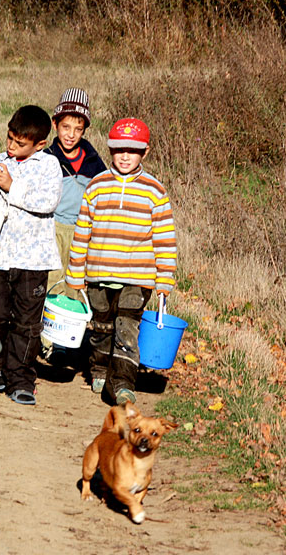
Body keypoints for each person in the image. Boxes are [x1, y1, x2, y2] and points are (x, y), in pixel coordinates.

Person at [65, 118, 177, 405]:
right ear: (110, 149)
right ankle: (100, 368)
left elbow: (164, 240)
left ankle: (124, 382)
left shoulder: (154, 191)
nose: (125, 156)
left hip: (137, 277)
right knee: (102, 326)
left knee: (127, 328)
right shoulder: (97, 186)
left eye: (133, 150)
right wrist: (75, 274)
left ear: (145, 152)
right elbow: (82, 232)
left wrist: (164, 278)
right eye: (118, 149)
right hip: (98, 272)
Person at [0, 106, 62, 406]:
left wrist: (10, 184)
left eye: (20, 143)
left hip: (33, 258)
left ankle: (21, 376)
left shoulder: (49, 166)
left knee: (27, 322)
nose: (11, 146)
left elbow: (47, 202)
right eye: (9, 138)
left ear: (39, 144)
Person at [42, 88, 107, 364]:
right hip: (52, 228)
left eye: (78, 129)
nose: (70, 134)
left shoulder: (95, 163)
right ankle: (48, 342)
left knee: (75, 284)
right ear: (55, 124)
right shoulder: (47, 157)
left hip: (82, 233)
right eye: (65, 127)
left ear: (85, 130)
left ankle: (68, 341)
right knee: (52, 282)